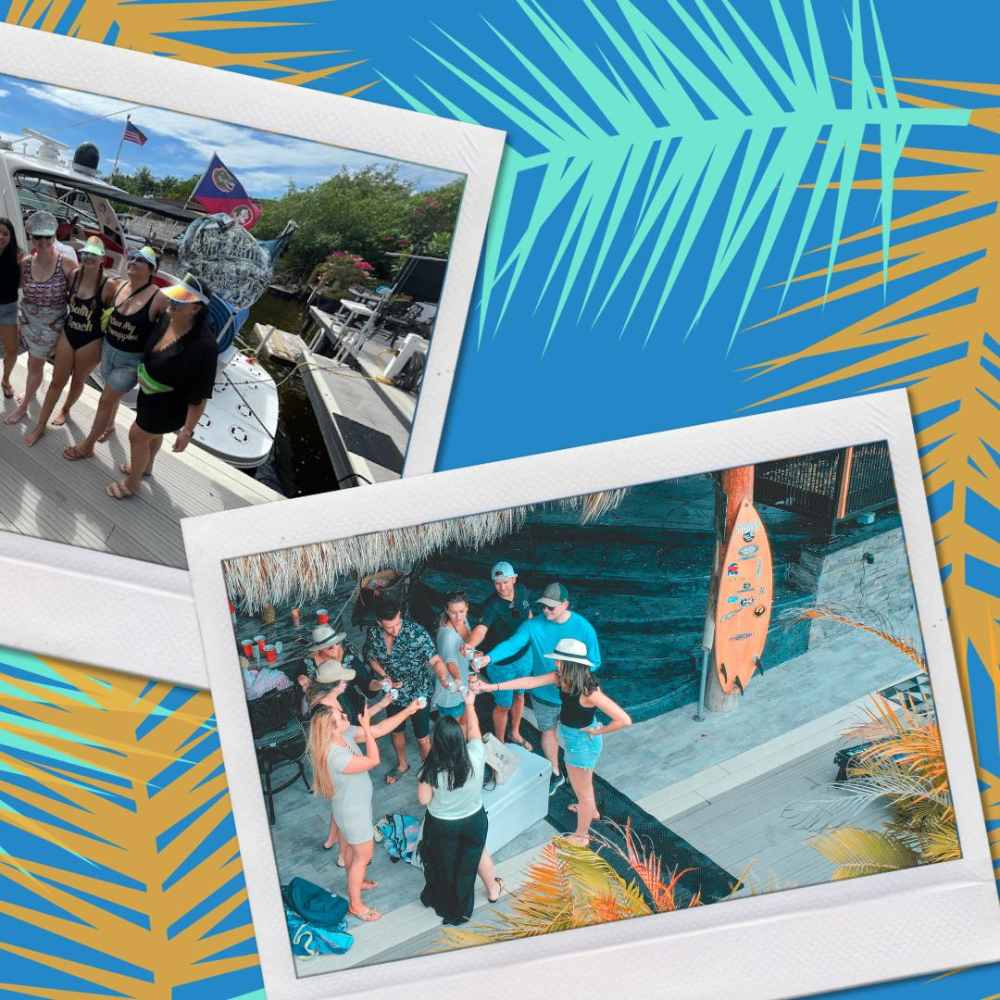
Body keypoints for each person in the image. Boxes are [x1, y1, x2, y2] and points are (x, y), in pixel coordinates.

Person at [474, 637, 630, 846]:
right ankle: (590, 810)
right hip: (578, 740)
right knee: (584, 783)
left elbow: (624, 720)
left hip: (581, 744)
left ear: (573, 664)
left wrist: (598, 730)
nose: (556, 664)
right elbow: (530, 682)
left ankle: (582, 835)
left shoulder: (588, 691)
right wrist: (493, 687)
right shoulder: (562, 678)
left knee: (583, 792)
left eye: (560, 661)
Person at [476, 582, 601, 795]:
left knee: (577, 739)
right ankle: (555, 773)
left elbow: (595, 661)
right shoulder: (533, 626)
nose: (545, 611)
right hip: (544, 694)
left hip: (572, 696)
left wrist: (568, 676)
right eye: (543, 606)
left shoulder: (583, 627)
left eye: (551, 607)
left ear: (565, 605)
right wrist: (489, 658)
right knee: (548, 732)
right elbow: (513, 644)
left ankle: (580, 776)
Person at [308, 697, 423, 922]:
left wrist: (409, 711)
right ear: (330, 728)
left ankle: (357, 882)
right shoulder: (335, 755)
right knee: (363, 857)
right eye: (340, 717)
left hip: (350, 808)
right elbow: (373, 760)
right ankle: (355, 905)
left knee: (351, 854)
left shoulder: (342, 734)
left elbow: (379, 728)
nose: (345, 716)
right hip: (353, 814)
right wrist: (368, 730)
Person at [104, 273, 216, 499]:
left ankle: (132, 484)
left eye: (179, 301)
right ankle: (145, 467)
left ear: (195, 309)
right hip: (149, 395)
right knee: (151, 437)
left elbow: (200, 395)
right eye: (173, 298)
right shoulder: (167, 318)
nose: (171, 303)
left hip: (171, 405)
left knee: (137, 435)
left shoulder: (204, 346)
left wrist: (187, 431)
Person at [64, 245, 166, 461]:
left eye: (141, 260)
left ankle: (87, 445)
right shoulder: (119, 287)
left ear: (152, 270)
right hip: (108, 352)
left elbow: (175, 324)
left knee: (105, 400)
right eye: (132, 257)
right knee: (112, 395)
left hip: (130, 362)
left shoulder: (158, 298)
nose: (133, 261)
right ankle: (109, 426)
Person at [417, 686, 503, 925]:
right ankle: (493, 889)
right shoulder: (476, 754)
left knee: (445, 864)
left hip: (442, 825)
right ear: (459, 738)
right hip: (474, 820)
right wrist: (469, 704)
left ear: (437, 743)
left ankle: (443, 900)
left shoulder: (431, 770)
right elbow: (475, 730)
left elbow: (424, 800)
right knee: (474, 855)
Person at [24, 236, 114, 445]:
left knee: (78, 380)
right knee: (57, 381)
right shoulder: (74, 276)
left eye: (93, 254)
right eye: (85, 254)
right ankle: (40, 426)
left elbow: (118, 314)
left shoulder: (109, 285)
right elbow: (57, 294)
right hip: (69, 332)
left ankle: (65, 409)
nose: (88, 258)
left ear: (102, 259)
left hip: (91, 339)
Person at [363, 594, 445, 785]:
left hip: (418, 692)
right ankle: (402, 765)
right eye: (389, 626)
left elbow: (436, 660)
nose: (395, 630)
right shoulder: (373, 633)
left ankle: (429, 772)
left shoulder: (416, 633)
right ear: (379, 622)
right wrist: (384, 675)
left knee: (422, 737)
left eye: (397, 624)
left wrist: (443, 678)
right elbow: (370, 657)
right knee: (396, 732)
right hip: (393, 694)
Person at [3, 211, 75, 426]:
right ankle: (24, 391)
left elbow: (81, 295)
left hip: (50, 326)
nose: (42, 241)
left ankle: (24, 407)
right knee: (15, 355)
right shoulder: (25, 263)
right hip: (25, 320)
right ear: (30, 238)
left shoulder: (67, 264)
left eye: (47, 236)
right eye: (37, 237)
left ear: (54, 237)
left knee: (35, 365)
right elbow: (10, 286)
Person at [463, 561, 533, 750]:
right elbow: (481, 629)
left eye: (505, 582)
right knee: (503, 705)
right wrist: (470, 644)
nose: (502, 587)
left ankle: (515, 732)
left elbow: (529, 616)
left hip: (525, 657)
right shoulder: (491, 605)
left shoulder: (523, 592)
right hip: (501, 665)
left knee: (520, 696)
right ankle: (500, 744)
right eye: (497, 583)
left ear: (514, 579)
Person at [297, 624, 379, 724]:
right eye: (331, 647)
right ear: (320, 649)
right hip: (323, 714)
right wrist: (302, 680)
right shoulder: (307, 663)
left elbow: (366, 683)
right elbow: (302, 692)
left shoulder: (348, 658)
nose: (336, 648)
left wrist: (380, 684)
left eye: (337, 643)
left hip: (348, 708)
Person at [433, 591, 476, 733]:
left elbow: (468, 646)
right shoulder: (447, 635)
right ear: (446, 610)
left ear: (467, 608)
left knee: (464, 722)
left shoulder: (464, 621)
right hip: (451, 692)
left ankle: (462, 751)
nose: (458, 617)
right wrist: (458, 681)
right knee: (450, 733)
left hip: (465, 685)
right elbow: (450, 662)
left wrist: (476, 655)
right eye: (453, 613)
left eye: (461, 611)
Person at [0, 217, 21, 402]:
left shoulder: (19, 256)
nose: (1, 236)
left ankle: (5, 380)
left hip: (8, 309)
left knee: (12, 350)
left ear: (11, 236)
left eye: (5, 233)